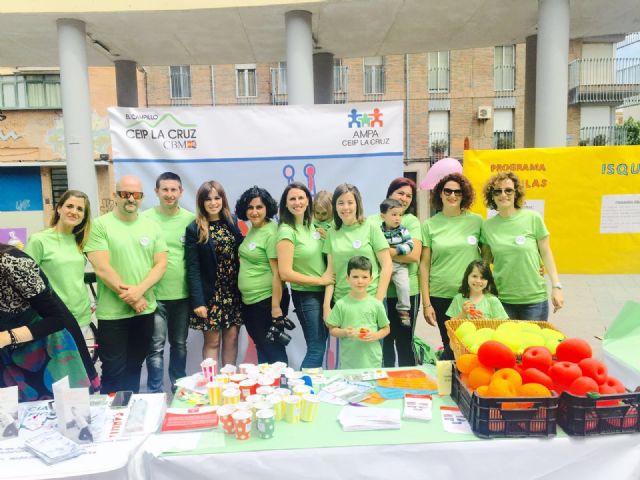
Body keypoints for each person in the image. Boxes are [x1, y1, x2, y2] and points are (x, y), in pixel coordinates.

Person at [85, 175, 168, 394]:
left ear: (142, 197)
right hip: (113, 315)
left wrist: (139, 294)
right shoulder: (100, 226)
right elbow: (102, 268)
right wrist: (133, 298)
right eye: (125, 194)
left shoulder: (152, 226)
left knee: (134, 367)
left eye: (136, 195)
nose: (130, 199)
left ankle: (128, 414)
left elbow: (160, 265)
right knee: (113, 371)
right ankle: (109, 420)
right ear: (115, 195)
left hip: (144, 311)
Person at [24, 190, 100, 391]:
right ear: (59, 208)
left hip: (81, 317)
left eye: (80, 209)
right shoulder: (39, 240)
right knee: (58, 376)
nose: (74, 211)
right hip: (53, 320)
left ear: (84, 215)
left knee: (80, 373)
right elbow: (26, 281)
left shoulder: (80, 241)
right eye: (70, 206)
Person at [0, 243, 93, 401]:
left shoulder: (12, 263)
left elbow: (57, 319)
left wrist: (7, 337)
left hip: (46, 347)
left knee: (60, 413)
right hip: (8, 355)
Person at [480, 172, 564, 320]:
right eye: (497, 191)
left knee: (534, 343)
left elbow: (546, 253)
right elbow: (485, 263)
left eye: (508, 190)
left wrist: (556, 286)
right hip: (502, 300)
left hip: (534, 300)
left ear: (516, 193)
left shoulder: (533, 218)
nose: (503, 194)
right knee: (506, 343)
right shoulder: (488, 227)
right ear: (492, 196)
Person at [142, 172, 195, 393]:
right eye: (165, 190)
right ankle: (154, 393)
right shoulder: (144, 219)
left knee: (180, 345)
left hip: (182, 296)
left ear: (181, 192)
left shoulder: (191, 219)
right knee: (155, 348)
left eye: (174, 190)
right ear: (156, 192)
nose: (169, 194)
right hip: (154, 296)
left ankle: (178, 390)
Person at [419, 173, 482, 360]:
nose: (452, 195)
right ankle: (450, 385)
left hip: (471, 295)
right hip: (441, 295)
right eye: (448, 191)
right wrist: (426, 303)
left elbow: (487, 257)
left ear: (464, 195)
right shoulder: (429, 225)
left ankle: (463, 387)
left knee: (472, 346)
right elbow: (424, 266)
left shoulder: (476, 221)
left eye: (458, 192)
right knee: (450, 346)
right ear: (440, 193)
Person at [185, 180, 243, 364]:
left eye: (217, 197)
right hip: (210, 295)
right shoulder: (194, 228)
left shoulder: (232, 222)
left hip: (233, 293)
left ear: (223, 199)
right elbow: (192, 268)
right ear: (201, 202)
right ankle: (212, 387)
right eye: (207, 199)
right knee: (213, 341)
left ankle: (229, 386)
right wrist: (198, 301)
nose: (213, 202)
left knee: (232, 339)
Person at [276, 182, 333, 368]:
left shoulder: (312, 227)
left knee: (321, 345)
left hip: (324, 293)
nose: (297, 202)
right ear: (285, 203)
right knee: (316, 348)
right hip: (307, 295)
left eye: (301, 198)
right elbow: (285, 273)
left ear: (309, 201)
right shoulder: (286, 231)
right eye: (292, 199)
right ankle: (304, 389)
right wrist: (320, 280)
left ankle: (312, 386)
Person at [323, 184, 391, 321]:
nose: (346, 207)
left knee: (373, 342)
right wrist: (326, 307)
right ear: (335, 206)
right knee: (348, 343)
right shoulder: (332, 232)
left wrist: (377, 302)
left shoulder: (370, 227)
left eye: (350, 202)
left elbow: (387, 266)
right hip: (342, 303)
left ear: (357, 204)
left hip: (370, 299)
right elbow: (331, 272)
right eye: (340, 203)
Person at [235, 186, 287, 364]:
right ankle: (268, 389)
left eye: (259, 207)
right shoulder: (254, 230)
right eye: (250, 207)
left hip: (266, 301)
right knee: (262, 347)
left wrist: (275, 308)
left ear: (267, 208)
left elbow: (278, 273)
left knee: (273, 351)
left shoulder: (271, 232)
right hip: (250, 302)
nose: (254, 212)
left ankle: (283, 388)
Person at [377, 177, 422, 367]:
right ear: (390, 194)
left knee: (404, 341)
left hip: (408, 291)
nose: (404, 198)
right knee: (385, 341)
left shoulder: (410, 222)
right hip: (383, 292)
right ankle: (386, 383)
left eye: (409, 196)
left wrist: (387, 252)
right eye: (400, 193)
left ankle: (409, 382)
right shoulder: (375, 220)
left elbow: (414, 255)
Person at [326, 256, 390, 369]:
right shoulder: (341, 304)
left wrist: (375, 335)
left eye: (364, 277)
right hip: (349, 363)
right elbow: (332, 329)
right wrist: (345, 332)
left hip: (372, 361)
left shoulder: (376, 304)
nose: (360, 281)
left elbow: (386, 329)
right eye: (355, 277)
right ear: (348, 278)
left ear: (371, 279)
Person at [378, 198, 414, 327]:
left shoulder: (403, 230)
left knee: (404, 286)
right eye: (394, 215)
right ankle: (380, 309)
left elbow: (410, 245)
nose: (397, 218)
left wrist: (398, 250)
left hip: (399, 266)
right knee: (379, 287)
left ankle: (404, 310)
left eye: (400, 215)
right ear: (383, 216)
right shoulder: (378, 231)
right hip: (382, 265)